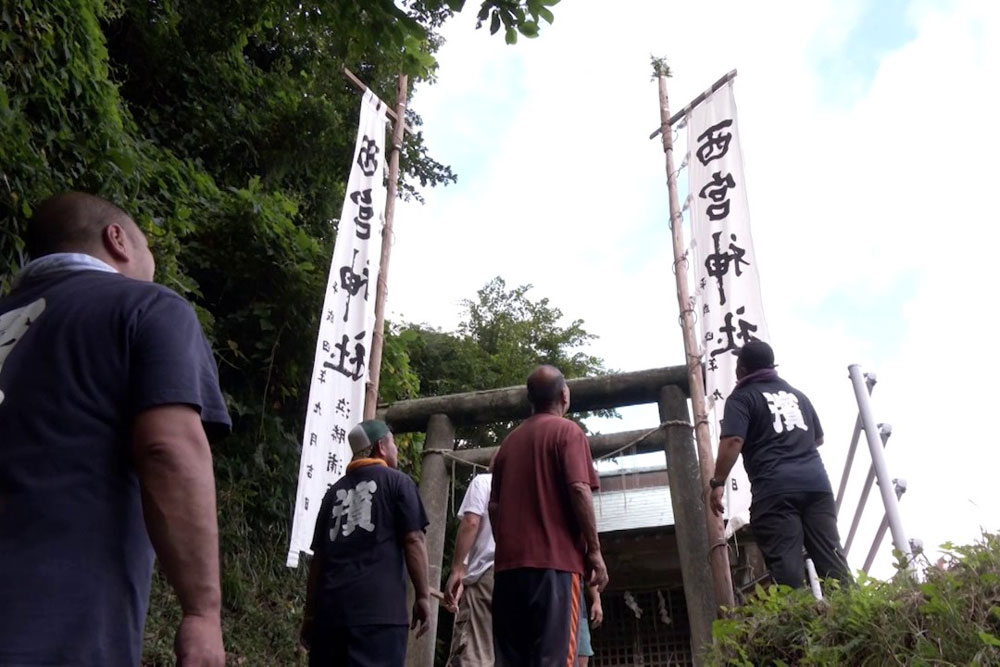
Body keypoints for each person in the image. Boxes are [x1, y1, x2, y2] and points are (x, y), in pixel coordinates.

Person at [0, 192, 231, 666]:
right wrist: (202, 612)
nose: (152, 267)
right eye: (150, 251)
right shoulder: (145, 307)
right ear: (118, 240)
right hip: (54, 632)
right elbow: (167, 449)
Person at [490, 364, 609, 667]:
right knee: (554, 660)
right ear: (564, 395)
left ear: (530, 399)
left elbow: (493, 506)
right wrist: (594, 551)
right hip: (554, 567)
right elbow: (579, 489)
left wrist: (507, 546)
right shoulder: (567, 431)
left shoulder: (508, 444)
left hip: (508, 573)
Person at [709, 341, 851, 588]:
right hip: (817, 485)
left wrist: (717, 482)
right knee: (832, 558)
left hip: (775, 490)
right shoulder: (798, 396)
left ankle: (799, 622)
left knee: (787, 569)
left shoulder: (742, 398)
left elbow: (733, 440)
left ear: (741, 370)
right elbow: (819, 439)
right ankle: (852, 617)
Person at [301, 419, 431, 667]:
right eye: (393, 443)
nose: (396, 450)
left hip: (329, 619)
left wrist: (310, 615)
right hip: (380, 618)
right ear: (381, 446)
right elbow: (414, 539)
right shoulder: (398, 483)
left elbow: (318, 559)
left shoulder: (332, 494)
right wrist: (423, 596)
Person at [443, 466, 496, 667]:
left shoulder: (484, 482)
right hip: (523, 576)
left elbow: (471, 522)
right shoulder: (529, 488)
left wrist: (458, 569)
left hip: (486, 574)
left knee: (475, 653)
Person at [576, 584, 602, 666]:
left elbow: (591, 574)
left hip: (577, 610)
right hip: (547, 611)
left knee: (581, 662)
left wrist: (597, 601)